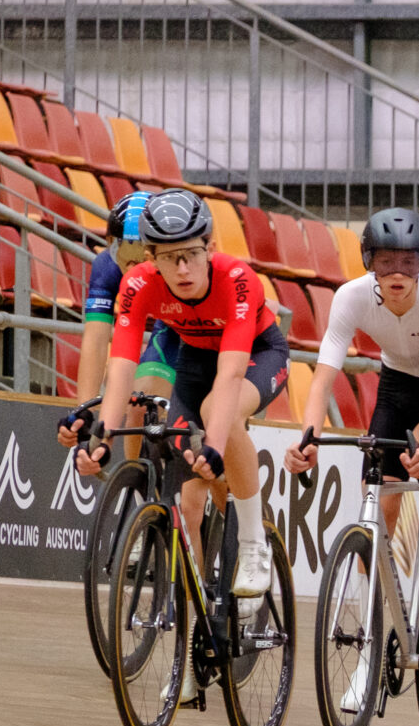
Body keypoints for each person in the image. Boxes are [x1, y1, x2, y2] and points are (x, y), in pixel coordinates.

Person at [76, 188, 288, 599]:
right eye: (170, 258)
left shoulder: (238, 279)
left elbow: (230, 375)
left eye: (192, 254)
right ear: (151, 257)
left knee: (218, 412)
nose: (183, 268)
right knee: (184, 483)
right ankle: (197, 601)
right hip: (195, 357)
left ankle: (252, 543)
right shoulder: (138, 283)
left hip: (257, 354)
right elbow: (121, 367)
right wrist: (102, 436)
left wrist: (216, 444)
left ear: (211, 248)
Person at [286, 208, 419, 625]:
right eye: (385, 261)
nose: (396, 272)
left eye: (408, 262)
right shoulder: (351, 297)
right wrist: (308, 438)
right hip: (396, 385)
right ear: (369, 261)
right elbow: (321, 382)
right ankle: (368, 636)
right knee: (376, 504)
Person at [56, 192, 178, 452]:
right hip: (145, 322)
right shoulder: (106, 266)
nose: (132, 265)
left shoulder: (172, 268)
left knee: (152, 397)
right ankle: (135, 474)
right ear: (111, 245)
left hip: (176, 325)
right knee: (137, 407)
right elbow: (95, 340)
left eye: (140, 252)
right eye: (123, 250)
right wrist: (84, 412)